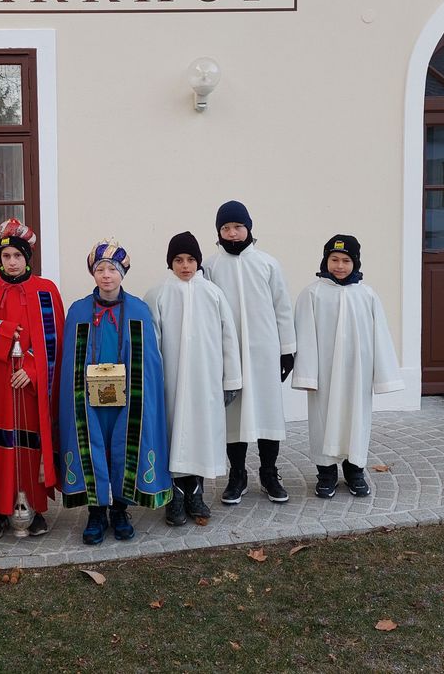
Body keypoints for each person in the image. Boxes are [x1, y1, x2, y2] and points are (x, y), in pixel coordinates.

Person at [58, 239, 172, 545]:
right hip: (89, 400)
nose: (106, 275)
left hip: (128, 398)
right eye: (101, 269)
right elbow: (68, 361)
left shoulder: (138, 309)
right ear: (93, 274)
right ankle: (97, 513)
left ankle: (120, 510)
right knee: (94, 448)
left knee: (124, 448)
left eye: (112, 269)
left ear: (123, 273)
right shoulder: (79, 311)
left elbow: (150, 361)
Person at [0, 219, 65, 538]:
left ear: (28, 257)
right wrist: (3, 336)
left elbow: (56, 344)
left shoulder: (46, 290)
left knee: (29, 443)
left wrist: (34, 370)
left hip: (30, 387)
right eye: (6, 255)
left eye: (17, 255)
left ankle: (35, 507)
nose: (11, 262)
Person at [292, 235, 404, 498]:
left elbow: (380, 336)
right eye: (334, 260)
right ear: (325, 260)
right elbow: (305, 336)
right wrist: (307, 374)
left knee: (356, 420)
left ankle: (355, 471)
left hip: (357, 374)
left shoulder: (366, 295)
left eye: (345, 260)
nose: (339, 266)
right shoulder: (312, 294)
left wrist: (384, 376)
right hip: (325, 374)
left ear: (355, 263)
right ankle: (326, 473)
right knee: (323, 422)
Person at [202, 201, 296, 504]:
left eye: (237, 227)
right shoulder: (212, 267)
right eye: (225, 228)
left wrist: (287, 350)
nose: (232, 233)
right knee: (234, 415)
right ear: (218, 232)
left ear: (249, 228)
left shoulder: (267, 263)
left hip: (264, 352)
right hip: (230, 355)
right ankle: (238, 474)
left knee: (268, 412)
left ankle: (269, 473)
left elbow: (282, 307)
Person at [145, 231, 242, 526]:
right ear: (170, 262)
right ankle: (173, 495)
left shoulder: (212, 293)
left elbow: (228, 337)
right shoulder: (158, 294)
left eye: (190, 259)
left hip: (205, 381)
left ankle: (195, 492)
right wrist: (153, 383)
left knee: (199, 434)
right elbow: (153, 342)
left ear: (198, 261)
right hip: (171, 383)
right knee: (173, 435)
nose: (185, 265)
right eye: (178, 260)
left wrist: (231, 380)